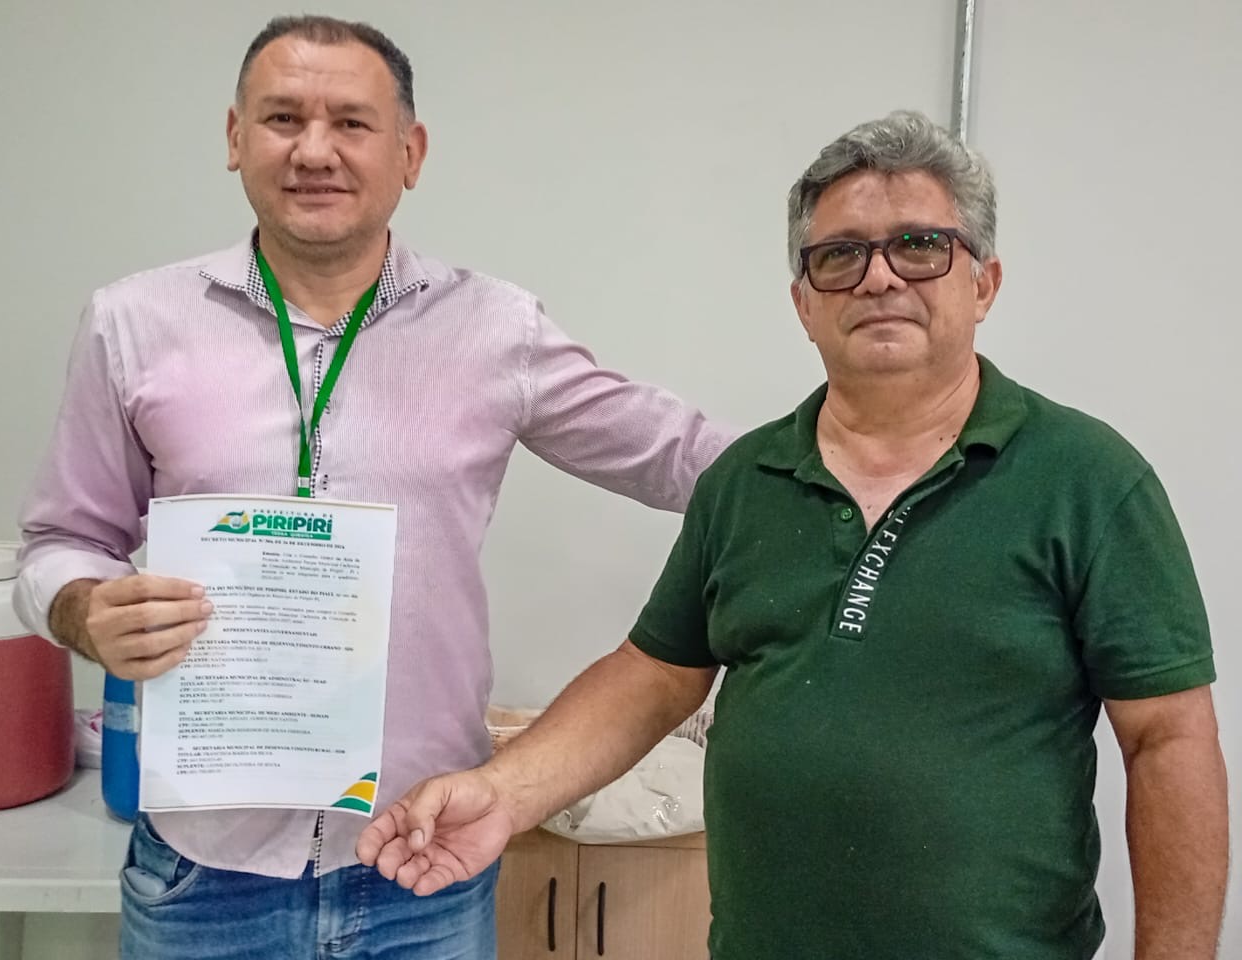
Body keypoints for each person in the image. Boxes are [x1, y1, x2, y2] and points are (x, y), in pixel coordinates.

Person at [357, 110, 1229, 960]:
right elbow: (655, 675)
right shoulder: (745, 481)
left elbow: (1169, 739)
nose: (879, 278)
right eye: (840, 255)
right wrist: (503, 793)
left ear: (984, 284)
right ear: (804, 303)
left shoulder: (1088, 480)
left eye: (920, 246)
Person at [13, 14, 735, 960]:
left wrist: (873, 467)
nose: (315, 150)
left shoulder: (495, 330)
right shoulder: (133, 324)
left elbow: (684, 456)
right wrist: (83, 608)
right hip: (203, 876)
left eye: (351, 123)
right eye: (283, 118)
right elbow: (61, 542)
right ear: (235, 138)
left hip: (422, 867)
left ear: (410, 153)